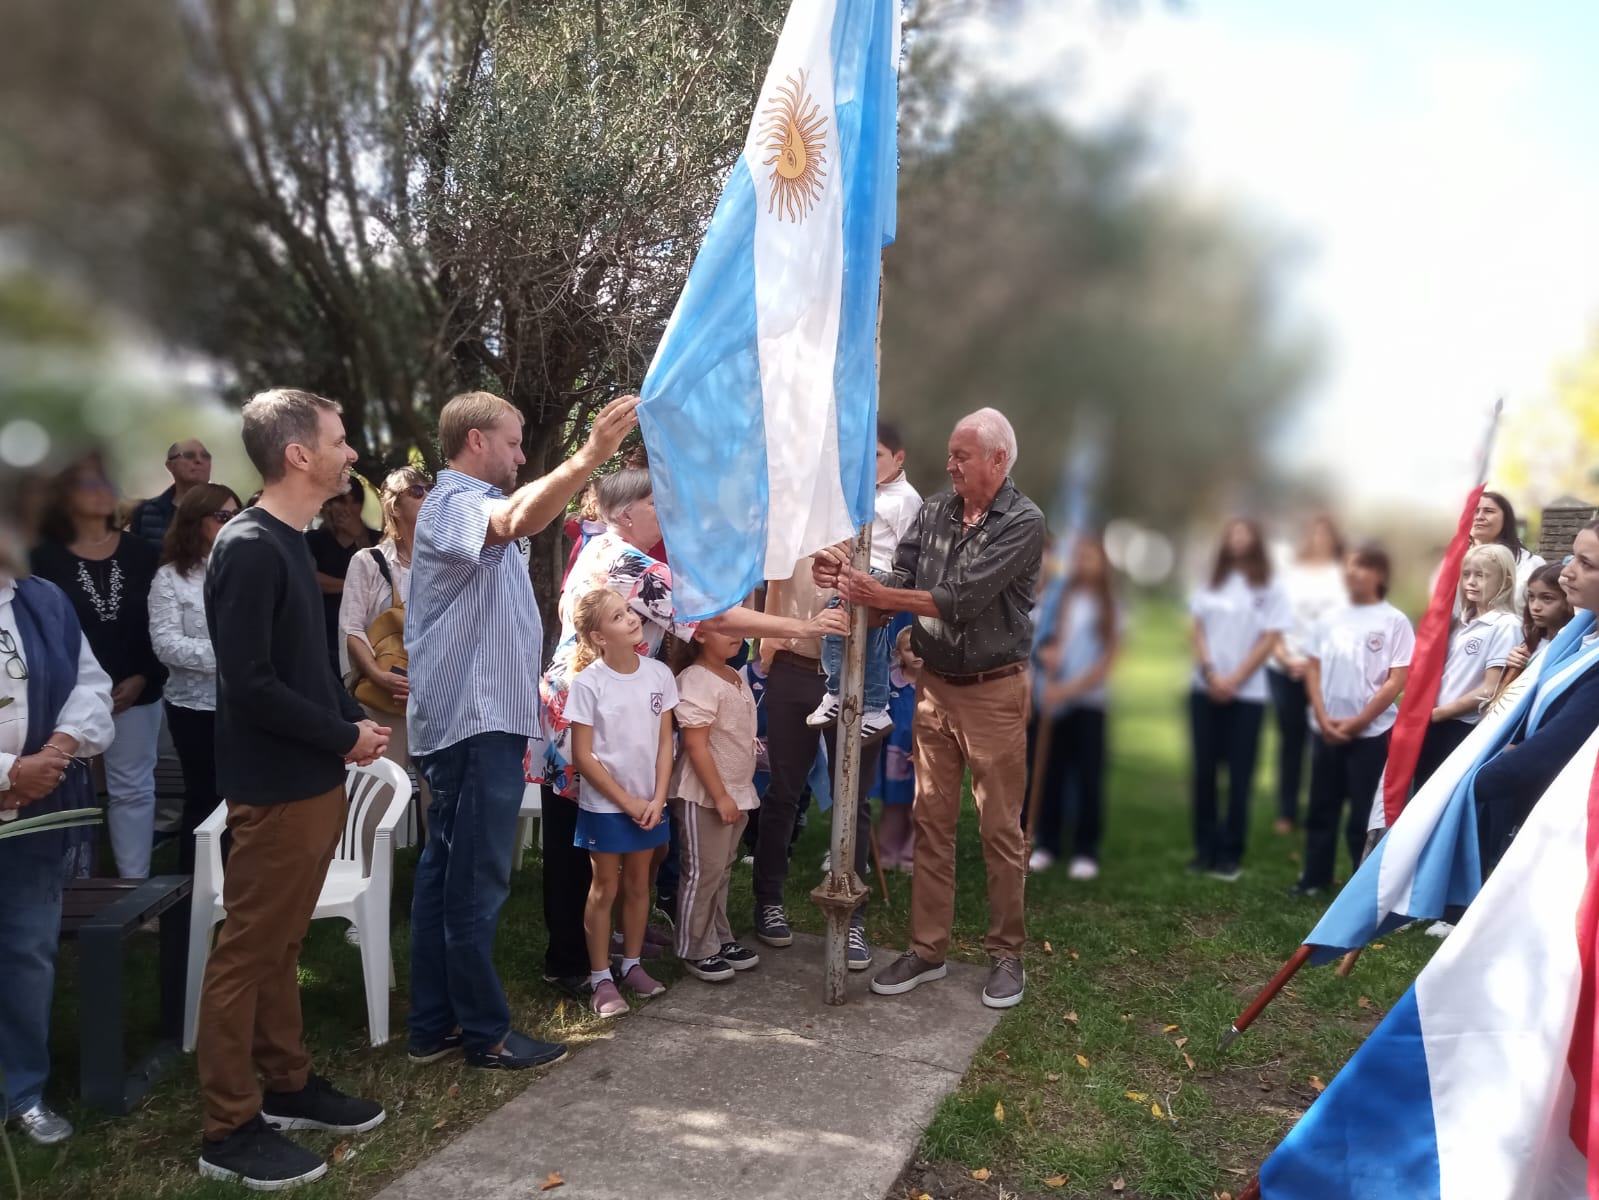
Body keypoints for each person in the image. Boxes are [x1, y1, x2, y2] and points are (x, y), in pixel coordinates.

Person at [533, 469, 848, 998]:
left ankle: (609, 941)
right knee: (579, 843)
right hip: (588, 717)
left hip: (614, 712)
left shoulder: (612, 551)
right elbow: (712, 615)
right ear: (626, 515)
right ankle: (570, 960)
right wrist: (804, 628)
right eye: (654, 503)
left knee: (602, 840)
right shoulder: (625, 561)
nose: (665, 512)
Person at [405, 390, 638, 1071]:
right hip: (473, 728)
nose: (517, 453)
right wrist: (590, 455)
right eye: (511, 441)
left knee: (445, 879)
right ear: (476, 441)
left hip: (475, 725)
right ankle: (484, 1034)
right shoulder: (454, 502)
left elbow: (515, 520)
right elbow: (511, 518)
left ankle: (433, 1026)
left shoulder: (466, 510)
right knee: (473, 883)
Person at [196, 389, 391, 1190]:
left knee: (280, 946)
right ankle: (228, 1126)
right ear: (298, 455)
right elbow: (249, 682)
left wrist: (350, 718)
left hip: (309, 779)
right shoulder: (248, 546)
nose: (352, 455)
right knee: (247, 953)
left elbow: (304, 665)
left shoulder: (288, 540)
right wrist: (341, 735)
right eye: (339, 441)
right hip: (275, 786)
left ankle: (286, 1086)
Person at [817, 407, 1045, 1010]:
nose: (950, 465)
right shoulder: (937, 510)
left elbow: (959, 599)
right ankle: (927, 949)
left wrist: (880, 593)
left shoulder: (1023, 521)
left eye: (962, 455)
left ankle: (1007, 955)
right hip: (935, 687)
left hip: (995, 692)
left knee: (999, 828)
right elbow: (903, 571)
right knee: (930, 821)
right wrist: (848, 575)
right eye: (949, 453)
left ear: (999, 460)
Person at [0, 520, 115, 1146]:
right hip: (16, 785)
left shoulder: (42, 599)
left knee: (26, 953)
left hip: (33, 815)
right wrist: (7, 771)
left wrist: (56, 752)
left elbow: (90, 686)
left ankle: (22, 1091)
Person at [31, 454, 168, 878]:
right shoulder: (41, 557)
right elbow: (38, 628)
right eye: (88, 483)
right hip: (64, 695)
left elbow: (157, 622)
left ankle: (134, 888)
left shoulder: (145, 554)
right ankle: (68, 888)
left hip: (135, 689)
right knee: (63, 789)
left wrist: (143, 675)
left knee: (134, 789)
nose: (101, 491)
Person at [564, 589, 677, 1015]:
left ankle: (632, 964)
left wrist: (657, 797)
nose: (631, 618)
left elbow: (666, 742)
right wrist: (627, 801)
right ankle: (600, 979)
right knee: (605, 886)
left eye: (628, 610)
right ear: (598, 636)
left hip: (650, 803)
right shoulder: (589, 684)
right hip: (607, 807)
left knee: (638, 882)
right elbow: (583, 756)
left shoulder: (659, 675)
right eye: (618, 616)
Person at [1474, 520, 1599, 868]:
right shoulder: (1579, 635)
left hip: (1559, 812)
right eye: (1572, 557)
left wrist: (1467, 784)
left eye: (1585, 564)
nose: (1566, 573)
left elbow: (1552, 750)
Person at [1290, 544, 1413, 896]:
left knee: (1363, 813)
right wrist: (1322, 714)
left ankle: (1361, 886)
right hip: (1326, 728)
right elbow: (1312, 666)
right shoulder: (1330, 618)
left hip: (1371, 732)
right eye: (1348, 566)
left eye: (1361, 566)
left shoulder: (1394, 621)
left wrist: (1359, 721)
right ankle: (1314, 877)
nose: (1352, 572)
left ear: (1381, 574)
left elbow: (1396, 678)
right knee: (1321, 806)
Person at [1186, 518, 1292, 882]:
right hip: (1205, 688)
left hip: (1247, 694)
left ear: (1256, 540)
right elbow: (1197, 627)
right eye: (1232, 533)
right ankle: (1205, 849)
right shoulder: (1211, 581)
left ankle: (1230, 853)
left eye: (1244, 533)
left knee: (1240, 776)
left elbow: (1269, 638)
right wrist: (1212, 673)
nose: (1237, 539)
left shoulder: (1270, 586)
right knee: (1204, 772)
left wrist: (1235, 679)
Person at [148, 482, 242, 873]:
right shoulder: (170, 578)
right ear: (194, 521)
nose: (233, 522)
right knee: (205, 799)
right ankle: (192, 894)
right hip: (195, 707)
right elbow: (166, 645)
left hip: (246, 705)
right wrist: (234, 657)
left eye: (238, 515)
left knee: (245, 799)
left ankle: (241, 890)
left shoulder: (247, 567)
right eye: (223, 516)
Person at [807, 423, 923, 737]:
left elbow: (911, 550)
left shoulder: (906, 500)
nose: (868, 464)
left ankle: (845, 695)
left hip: (880, 576)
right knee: (859, 638)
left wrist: (890, 589)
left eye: (876, 455)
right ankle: (867, 704)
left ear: (899, 458)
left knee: (839, 626)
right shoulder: (866, 494)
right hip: (860, 573)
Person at [339, 466, 432, 829]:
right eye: (418, 491)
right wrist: (378, 676)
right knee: (374, 802)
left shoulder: (445, 560)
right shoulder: (368, 561)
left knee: (437, 804)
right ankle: (365, 882)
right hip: (385, 695)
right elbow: (351, 628)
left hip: (436, 696)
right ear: (394, 505)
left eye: (431, 489)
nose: (428, 496)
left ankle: (434, 885)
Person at [669, 622, 763, 983]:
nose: (735, 633)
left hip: (736, 791)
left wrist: (734, 793)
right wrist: (720, 795)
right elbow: (695, 745)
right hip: (704, 794)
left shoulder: (731, 674)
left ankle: (719, 938)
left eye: (738, 627)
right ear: (700, 634)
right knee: (703, 872)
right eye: (723, 628)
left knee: (721, 869)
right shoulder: (696, 679)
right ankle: (694, 947)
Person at [1025, 532, 1120, 879]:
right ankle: (1048, 842)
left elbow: (1107, 660)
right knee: (1049, 772)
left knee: (1088, 776)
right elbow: (1042, 640)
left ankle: (1086, 848)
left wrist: (1068, 689)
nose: (1084, 563)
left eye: (1091, 557)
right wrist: (1047, 654)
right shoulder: (1059, 600)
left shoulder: (1109, 605)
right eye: (1079, 556)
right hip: (1051, 701)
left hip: (1088, 703)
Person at [1410, 543, 1520, 791]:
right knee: (1420, 791)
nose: (1471, 581)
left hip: (1460, 726)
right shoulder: (1461, 623)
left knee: (1439, 794)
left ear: (1505, 581)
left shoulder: (1505, 625)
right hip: (1435, 720)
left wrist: (1438, 714)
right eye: (1467, 574)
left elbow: (1490, 689)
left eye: (1481, 575)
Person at [1266, 515, 1346, 835]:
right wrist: (1285, 658)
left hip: (1324, 667)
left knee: (1321, 740)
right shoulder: (1289, 575)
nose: (1320, 538)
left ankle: (1319, 807)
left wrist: (1318, 662)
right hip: (1285, 666)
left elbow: (1346, 623)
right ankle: (1286, 811)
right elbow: (1272, 622)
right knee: (1290, 739)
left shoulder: (1342, 574)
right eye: (1315, 532)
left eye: (1326, 533)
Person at [305, 475, 379, 673]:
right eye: (339, 501)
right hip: (324, 631)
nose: (345, 509)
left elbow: (381, 579)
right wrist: (354, 586)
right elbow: (311, 579)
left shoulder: (377, 539)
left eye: (352, 502)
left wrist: (360, 537)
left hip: (368, 633)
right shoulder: (314, 540)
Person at [1489, 562, 1575, 711]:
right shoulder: (1530, 643)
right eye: (1531, 597)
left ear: (1569, 600)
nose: (1535, 606)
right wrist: (1512, 666)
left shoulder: (1574, 647)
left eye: (1547, 598)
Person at [870, 621, 920, 870]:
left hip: (923, 755)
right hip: (893, 753)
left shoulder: (935, 685)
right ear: (899, 653)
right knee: (894, 805)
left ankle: (912, 855)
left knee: (919, 807)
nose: (918, 655)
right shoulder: (890, 682)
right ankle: (886, 854)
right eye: (911, 649)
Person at [131, 439, 214, 549]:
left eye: (205, 456)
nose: (199, 460)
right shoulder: (145, 512)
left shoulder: (226, 510)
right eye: (189, 455)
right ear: (170, 466)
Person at [1471, 490, 1545, 607]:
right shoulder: (1451, 562)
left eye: (1489, 511)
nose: (1479, 517)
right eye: (1474, 511)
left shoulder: (1530, 564)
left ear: (1506, 519)